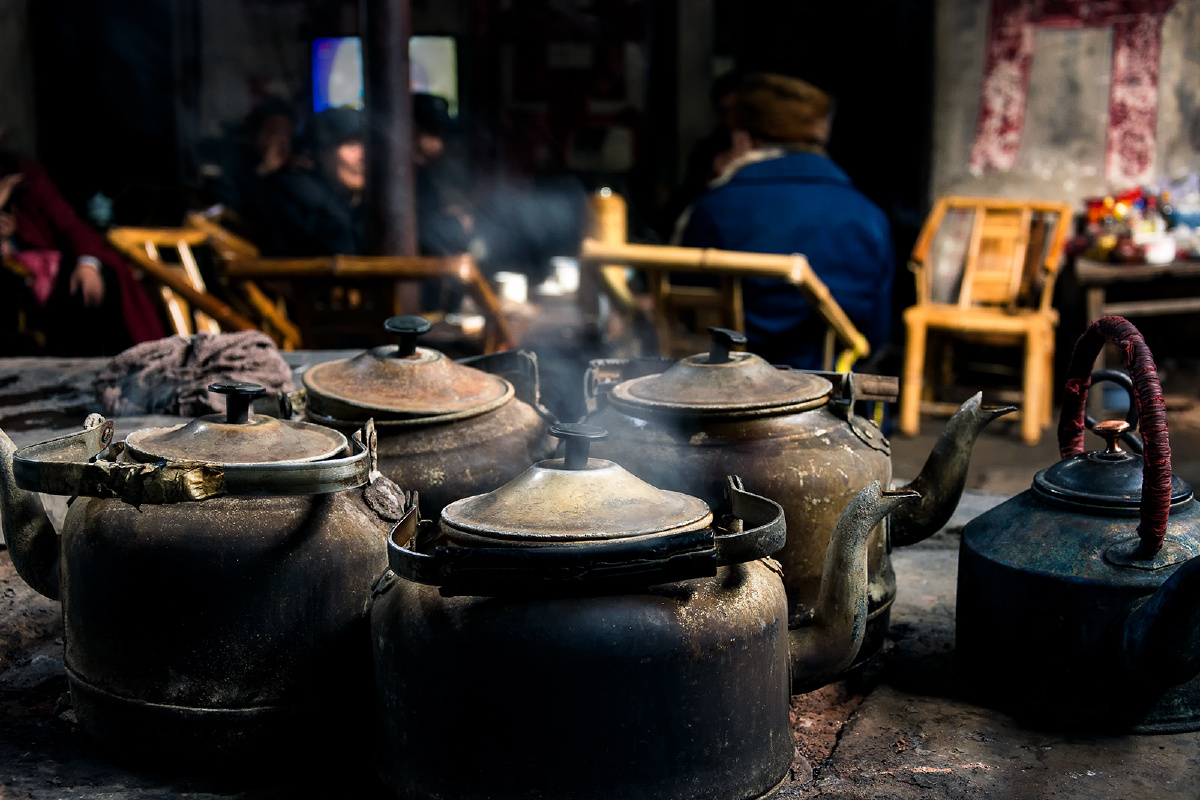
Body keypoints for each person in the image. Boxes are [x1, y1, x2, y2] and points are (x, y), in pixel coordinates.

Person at [679, 72, 894, 371]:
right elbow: (876, 334)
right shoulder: (870, 216)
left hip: (728, 397)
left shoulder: (715, 208)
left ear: (743, 136)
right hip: (834, 397)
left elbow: (686, 315)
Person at [0, 150, 164, 354]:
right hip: (13, 289)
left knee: (96, 280)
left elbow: (70, 226)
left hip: (49, 279)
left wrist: (87, 264)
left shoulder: (24, 179)